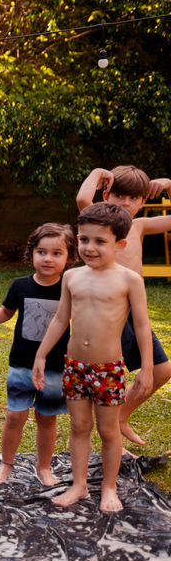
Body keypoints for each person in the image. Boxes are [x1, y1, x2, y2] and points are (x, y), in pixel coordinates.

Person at [33, 203, 152, 512]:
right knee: (78, 426)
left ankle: (109, 487)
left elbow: (141, 326)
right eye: (84, 239)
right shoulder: (71, 277)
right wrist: (41, 354)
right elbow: (60, 319)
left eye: (100, 241)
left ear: (120, 244)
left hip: (109, 370)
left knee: (109, 430)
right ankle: (80, 484)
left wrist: (147, 369)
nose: (90, 247)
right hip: (75, 366)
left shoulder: (129, 280)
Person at [76, 166, 171, 449]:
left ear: (143, 202)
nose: (125, 203)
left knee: (162, 369)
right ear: (106, 194)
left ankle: (120, 418)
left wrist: (168, 184)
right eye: (118, 195)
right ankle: (109, 437)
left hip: (134, 312)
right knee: (111, 378)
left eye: (133, 198)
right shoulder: (98, 222)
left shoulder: (139, 226)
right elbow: (83, 199)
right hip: (105, 313)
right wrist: (97, 172)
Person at [0, 223, 76, 486]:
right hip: (21, 364)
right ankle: (5, 464)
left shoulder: (70, 288)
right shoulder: (20, 285)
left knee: (47, 418)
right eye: (41, 252)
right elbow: (6, 311)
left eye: (57, 253)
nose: (48, 259)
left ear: (69, 256)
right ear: (31, 253)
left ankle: (44, 467)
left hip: (55, 367)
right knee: (14, 417)